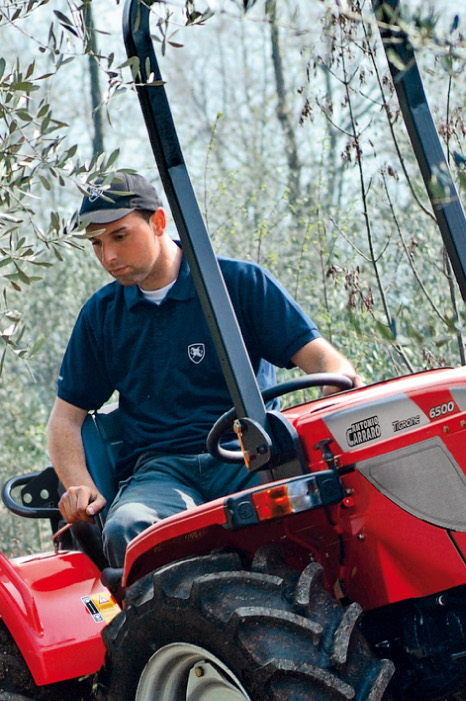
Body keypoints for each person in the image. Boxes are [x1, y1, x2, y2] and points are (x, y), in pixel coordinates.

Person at [48, 173, 361, 564]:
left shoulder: (238, 284)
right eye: (97, 243)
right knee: (127, 527)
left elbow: (327, 364)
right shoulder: (102, 315)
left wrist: (341, 393)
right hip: (161, 473)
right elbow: (64, 420)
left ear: (158, 222)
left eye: (120, 236)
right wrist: (80, 486)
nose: (107, 256)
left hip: (249, 457)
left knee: (317, 507)